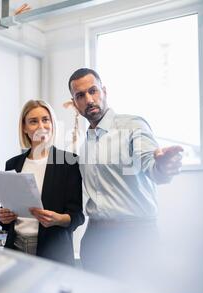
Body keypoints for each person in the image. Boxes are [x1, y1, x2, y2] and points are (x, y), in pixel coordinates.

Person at [68, 68, 183, 279]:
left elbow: (151, 165)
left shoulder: (132, 125)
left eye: (93, 91)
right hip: (95, 238)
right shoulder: (85, 144)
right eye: (80, 96)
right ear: (75, 103)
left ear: (104, 91)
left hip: (135, 236)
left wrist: (162, 167)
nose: (89, 99)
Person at [0, 99, 84, 266]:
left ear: (52, 123)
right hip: (15, 249)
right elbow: (8, 210)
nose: (41, 126)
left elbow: (77, 216)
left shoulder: (69, 162)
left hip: (53, 253)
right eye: (33, 121)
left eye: (45, 119)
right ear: (24, 127)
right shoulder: (13, 164)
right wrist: (3, 217)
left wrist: (58, 219)